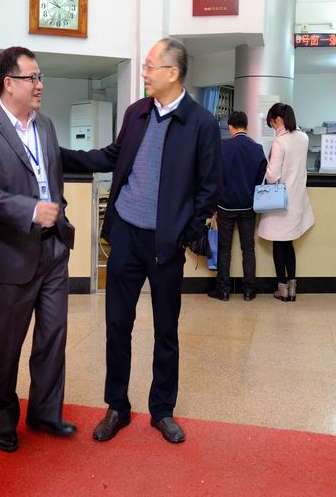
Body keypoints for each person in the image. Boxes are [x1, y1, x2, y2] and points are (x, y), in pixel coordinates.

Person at [61, 37, 222, 444]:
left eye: (151, 66)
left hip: (166, 244)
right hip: (127, 235)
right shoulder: (136, 113)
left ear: (173, 72)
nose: (145, 73)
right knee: (118, 324)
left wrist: (185, 233)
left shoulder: (201, 123)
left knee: (166, 331)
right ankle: (117, 405)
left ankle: (162, 410)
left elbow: (209, 188)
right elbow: (112, 156)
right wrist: (59, 153)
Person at [0, 46, 76, 454]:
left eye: (40, 77)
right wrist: (30, 210)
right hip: (11, 256)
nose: (40, 85)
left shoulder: (45, 126)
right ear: (9, 83)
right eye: (33, 78)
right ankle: (1, 417)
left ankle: (45, 412)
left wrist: (58, 214)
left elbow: (52, 177)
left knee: (52, 338)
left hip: (53, 250)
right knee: (5, 346)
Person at [257, 103, 314, 302]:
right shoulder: (304, 138)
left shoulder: (280, 142)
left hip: (280, 201)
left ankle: (282, 289)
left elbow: (273, 176)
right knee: (288, 243)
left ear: (279, 120)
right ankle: (292, 288)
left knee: (278, 244)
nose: (273, 127)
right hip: (297, 199)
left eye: (272, 123)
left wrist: (266, 170)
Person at [208, 110, 266, 302]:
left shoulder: (223, 148)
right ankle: (249, 290)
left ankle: (223, 290)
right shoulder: (257, 149)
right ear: (246, 126)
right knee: (248, 248)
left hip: (225, 205)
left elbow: (215, 177)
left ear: (230, 127)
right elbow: (261, 178)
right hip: (248, 206)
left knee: (224, 249)